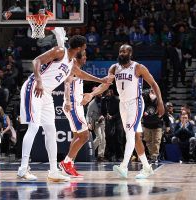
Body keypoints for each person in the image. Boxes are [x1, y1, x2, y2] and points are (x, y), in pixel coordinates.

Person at [17, 34, 112, 182]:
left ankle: (53, 171)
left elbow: (80, 74)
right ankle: (23, 169)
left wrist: (101, 80)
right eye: (85, 48)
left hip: (46, 94)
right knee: (34, 127)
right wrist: (39, 80)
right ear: (80, 48)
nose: (86, 51)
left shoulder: (72, 62)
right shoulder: (60, 51)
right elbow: (36, 61)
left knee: (51, 130)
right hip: (34, 87)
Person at [81, 44, 165, 179]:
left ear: (130, 54)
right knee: (136, 137)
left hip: (135, 103)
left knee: (130, 135)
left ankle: (124, 166)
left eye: (125, 51)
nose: (122, 53)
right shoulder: (114, 68)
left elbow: (153, 84)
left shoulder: (138, 67)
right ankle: (147, 168)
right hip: (123, 104)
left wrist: (160, 102)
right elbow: (105, 85)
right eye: (120, 51)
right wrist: (92, 94)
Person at [59, 50, 109, 177]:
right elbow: (67, 84)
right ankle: (66, 162)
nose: (86, 57)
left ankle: (69, 164)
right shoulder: (72, 67)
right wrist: (69, 101)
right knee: (85, 135)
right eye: (84, 55)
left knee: (77, 135)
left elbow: (84, 75)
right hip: (73, 105)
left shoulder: (77, 69)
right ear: (77, 57)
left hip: (77, 105)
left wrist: (101, 80)